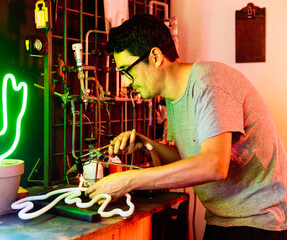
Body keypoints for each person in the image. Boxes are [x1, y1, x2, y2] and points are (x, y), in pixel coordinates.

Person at [86, 14, 287, 239]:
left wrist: (128, 181)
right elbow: (186, 157)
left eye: (127, 70)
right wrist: (146, 143)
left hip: (258, 223)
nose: (126, 82)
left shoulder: (208, 83)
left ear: (155, 56)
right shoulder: (174, 96)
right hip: (223, 220)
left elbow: (213, 165)